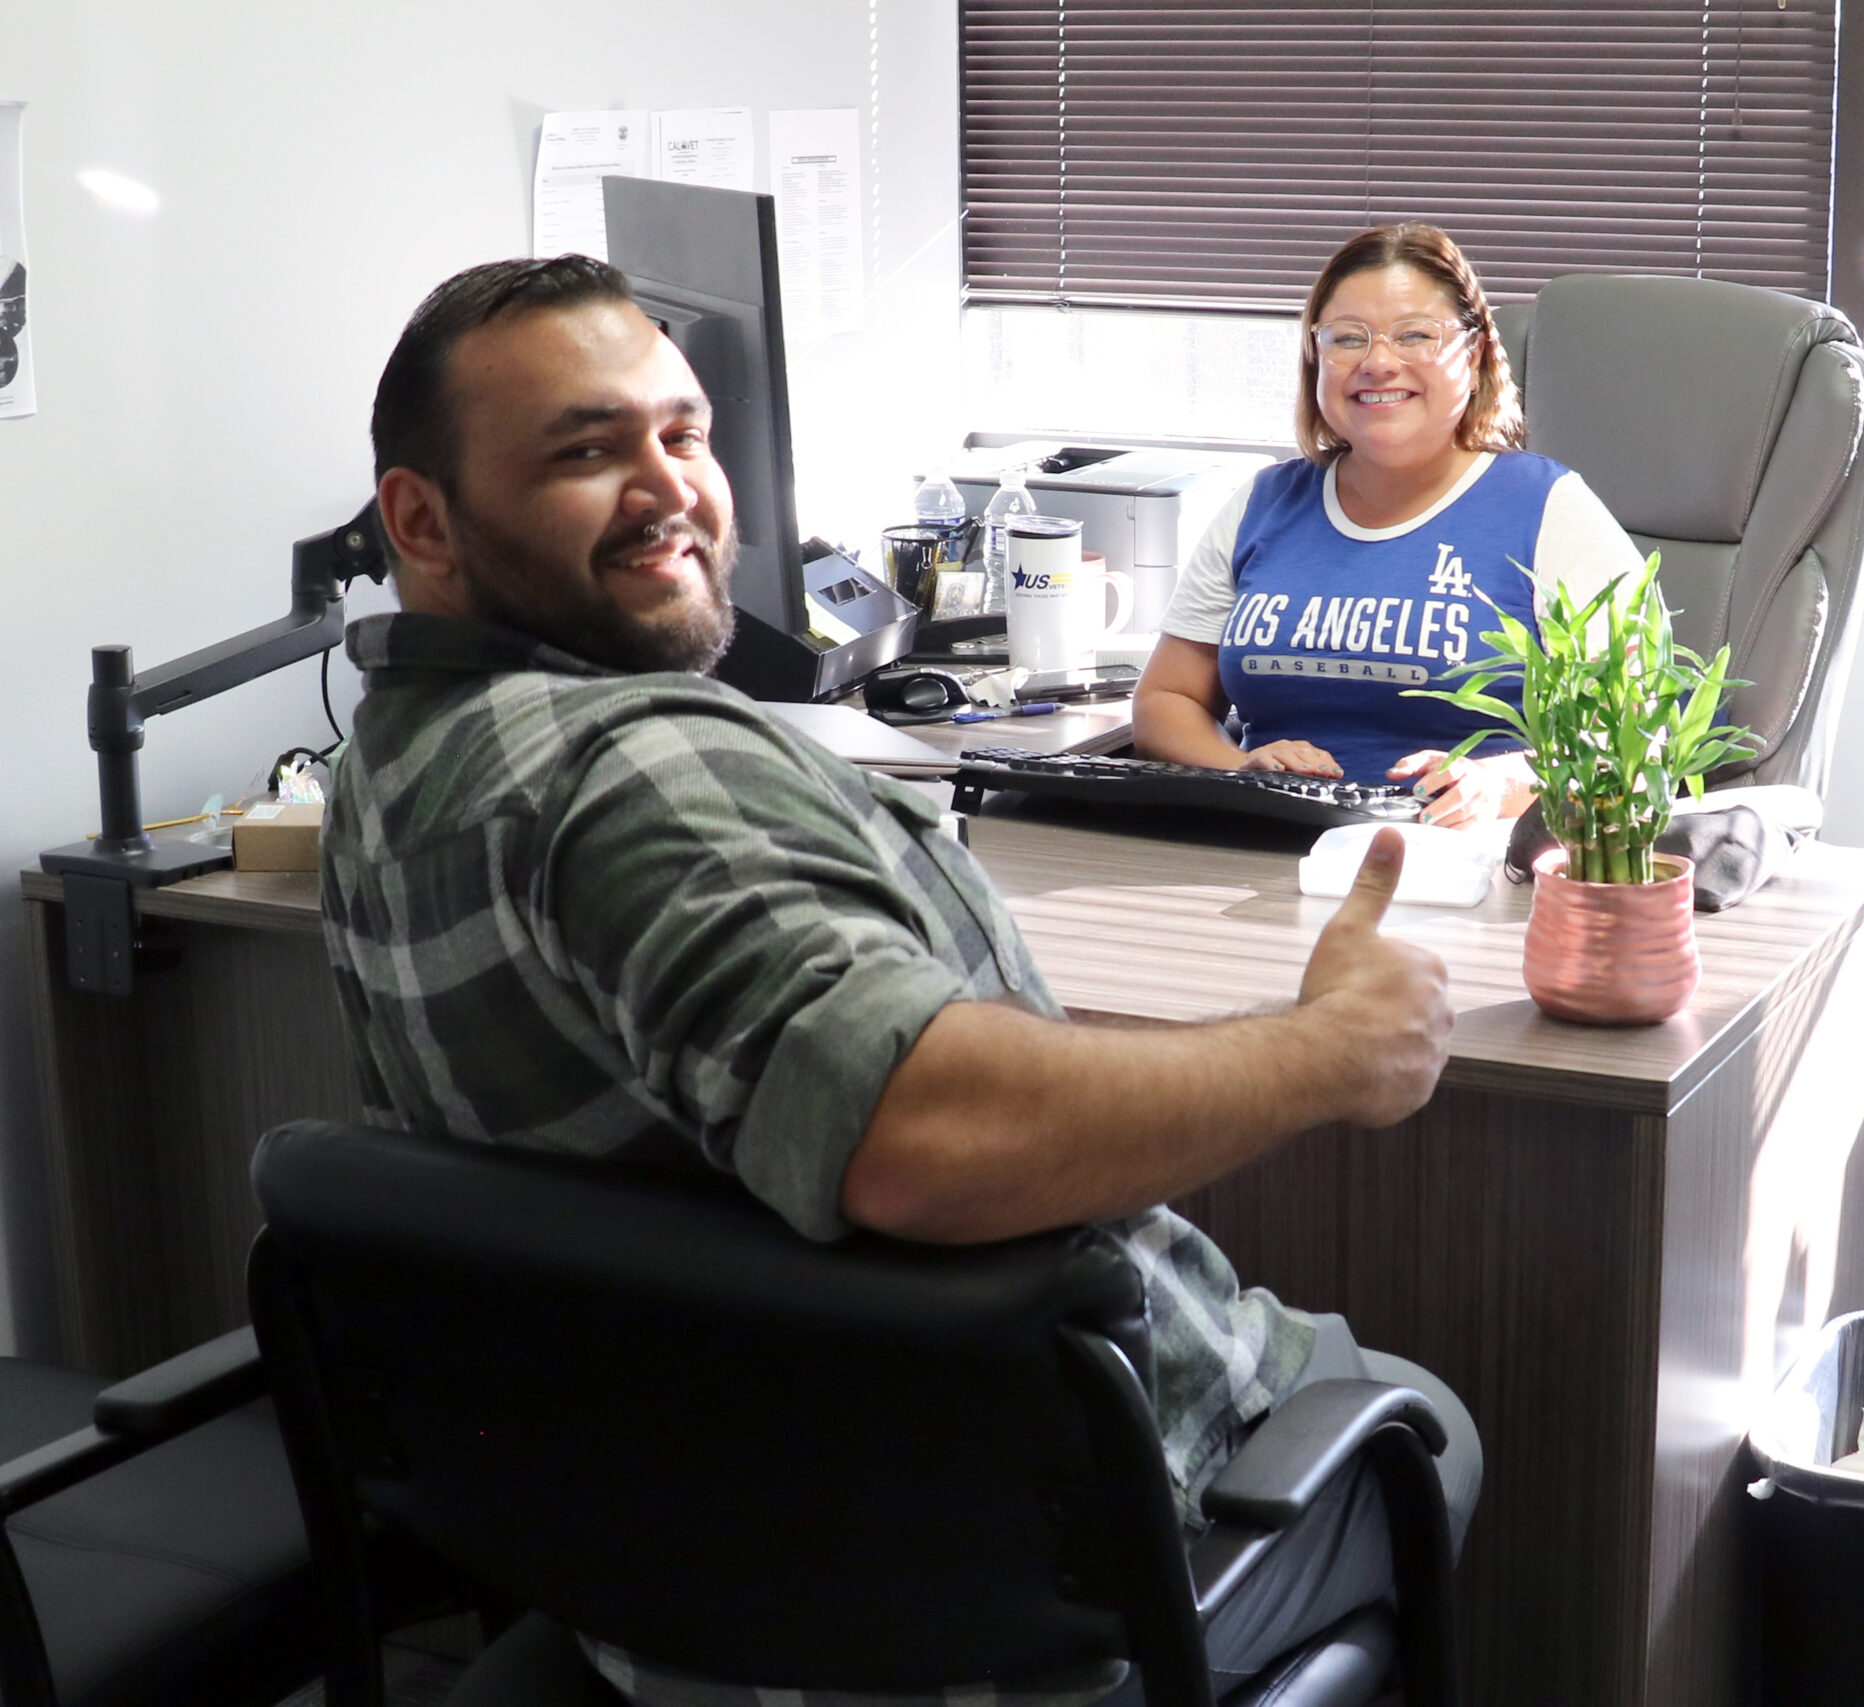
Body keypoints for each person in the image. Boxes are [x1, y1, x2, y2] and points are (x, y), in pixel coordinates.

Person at [321, 254, 1479, 1707]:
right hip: (984, 1602)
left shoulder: (390, 765)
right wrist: (1326, 1049)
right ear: (421, 516)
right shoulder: (636, 776)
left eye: (683, 433)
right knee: (1425, 1426)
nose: (670, 486)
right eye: (586, 449)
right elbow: (921, 1139)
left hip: (653, 1562)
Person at [1131, 223, 1642, 827]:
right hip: (1263, 847)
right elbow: (1165, 701)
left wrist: (1501, 783)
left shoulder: (1548, 508)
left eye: (1415, 336)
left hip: (1465, 864)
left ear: (1473, 354)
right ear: (1315, 357)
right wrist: (1236, 768)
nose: (1378, 362)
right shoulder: (1264, 502)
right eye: (1348, 338)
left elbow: (1638, 737)